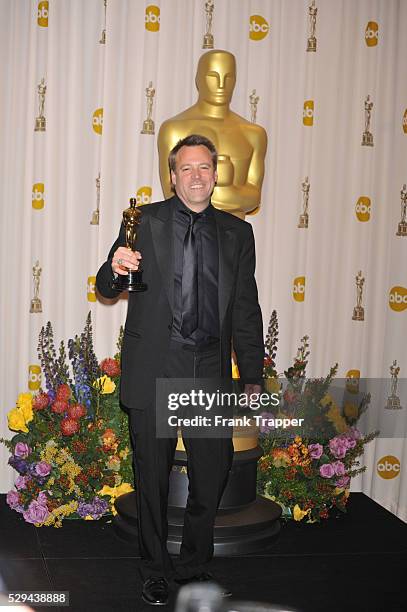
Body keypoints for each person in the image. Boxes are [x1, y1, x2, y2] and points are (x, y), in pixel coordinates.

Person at [96, 134, 264, 606]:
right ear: (172, 176)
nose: (196, 175)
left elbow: (247, 310)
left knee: (211, 477)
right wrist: (114, 266)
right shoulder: (144, 221)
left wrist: (252, 376)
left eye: (204, 168)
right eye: (186, 168)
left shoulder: (237, 233)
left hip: (210, 368)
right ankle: (154, 568)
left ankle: (194, 565)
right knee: (152, 479)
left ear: (215, 175)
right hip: (157, 366)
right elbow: (107, 284)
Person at [158, 50, 267, 219]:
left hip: (234, 238)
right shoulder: (174, 129)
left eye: (229, 77)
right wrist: (231, 192)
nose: (221, 85)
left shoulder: (253, 134)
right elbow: (171, 192)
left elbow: (254, 197)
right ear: (198, 79)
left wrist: (201, 191)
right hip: (188, 235)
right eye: (213, 76)